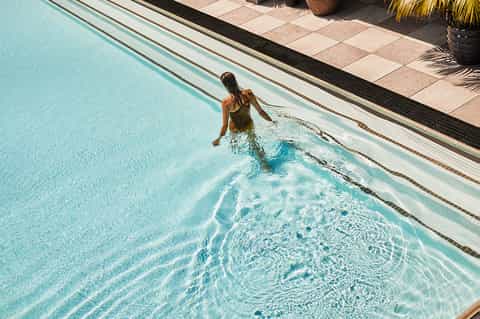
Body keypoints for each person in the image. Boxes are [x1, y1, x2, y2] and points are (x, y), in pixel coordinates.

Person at [212, 72, 274, 170]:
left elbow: (224, 125)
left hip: (235, 130)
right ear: (235, 81)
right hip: (248, 125)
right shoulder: (248, 93)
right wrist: (272, 121)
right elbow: (261, 111)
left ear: (225, 86)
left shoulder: (226, 103)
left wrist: (219, 138)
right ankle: (266, 166)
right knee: (255, 146)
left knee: (235, 148)